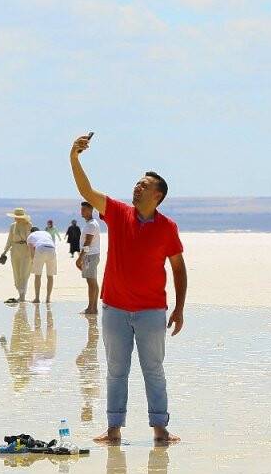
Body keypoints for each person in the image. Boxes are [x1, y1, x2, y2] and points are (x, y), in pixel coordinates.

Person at [70, 133, 187, 444]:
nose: (138, 186)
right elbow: (85, 190)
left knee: (154, 371)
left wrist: (179, 307)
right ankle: (113, 430)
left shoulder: (167, 228)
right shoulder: (118, 213)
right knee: (115, 371)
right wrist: (74, 157)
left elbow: (178, 268)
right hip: (115, 310)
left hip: (152, 312)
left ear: (158, 196)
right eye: (138, 183)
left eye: (145, 185)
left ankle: (160, 429)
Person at [3, 208, 34, 304]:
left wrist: (33, 254)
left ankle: (22, 296)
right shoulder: (13, 226)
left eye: (17, 217)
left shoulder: (29, 225)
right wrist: (4, 252)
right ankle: (20, 293)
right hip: (15, 251)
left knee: (24, 273)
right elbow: (9, 240)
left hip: (26, 251)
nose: (16, 218)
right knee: (16, 274)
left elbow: (31, 240)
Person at [77, 201, 102, 315]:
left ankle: (91, 308)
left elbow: (87, 243)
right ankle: (93, 308)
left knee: (91, 282)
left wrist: (80, 258)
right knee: (93, 281)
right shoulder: (91, 223)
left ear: (91, 210)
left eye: (84, 210)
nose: (82, 211)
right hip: (91, 255)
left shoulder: (91, 224)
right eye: (81, 209)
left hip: (90, 256)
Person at [27, 224, 58, 304]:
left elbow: (31, 251)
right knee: (50, 276)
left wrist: (33, 261)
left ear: (31, 232)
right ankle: (48, 299)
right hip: (52, 249)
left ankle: (37, 298)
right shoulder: (46, 233)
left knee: (38, 275)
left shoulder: (30, 236)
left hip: (40, 249)